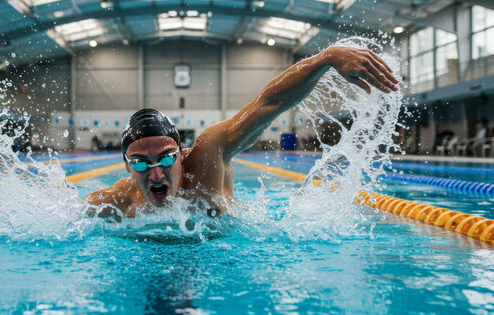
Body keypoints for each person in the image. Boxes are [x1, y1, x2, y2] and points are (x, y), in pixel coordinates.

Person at [85, 46, 399, 222]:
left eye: (166, 158)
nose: (155, 174)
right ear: (127, 166)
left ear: (181, 153)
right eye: (140, 163)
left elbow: (270, 102)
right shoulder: (117, 201)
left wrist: (326, 58)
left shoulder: (208, 157)